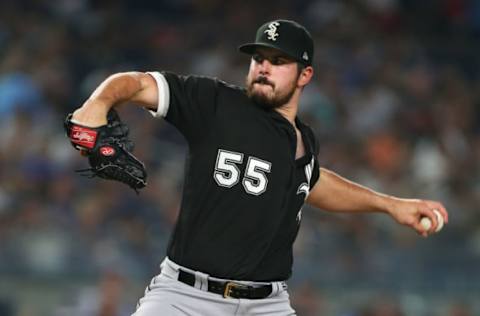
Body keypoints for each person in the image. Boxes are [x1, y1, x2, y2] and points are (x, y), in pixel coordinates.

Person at [69, 19, 449, 316]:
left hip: (267, 303)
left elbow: (311, 182)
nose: (265, 67)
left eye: (279, 61)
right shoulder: (215, 104)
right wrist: (96, 106)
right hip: (185, 296)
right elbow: (134, 83)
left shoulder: (303, 139)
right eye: (259, 58)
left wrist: (390, 205)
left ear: (305, 75)